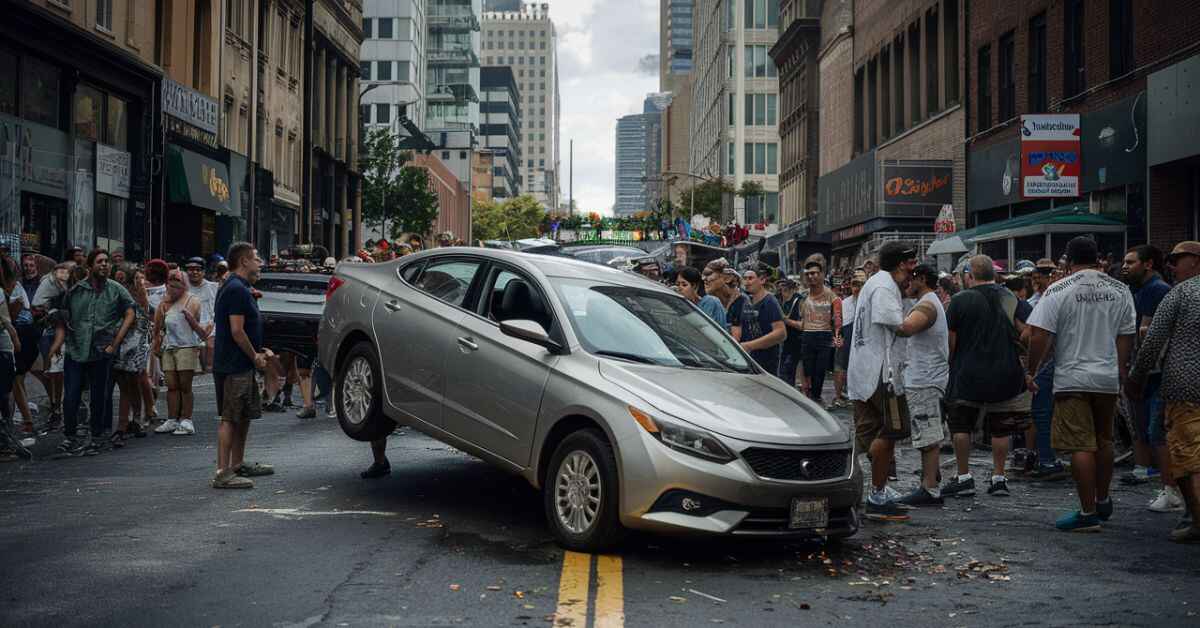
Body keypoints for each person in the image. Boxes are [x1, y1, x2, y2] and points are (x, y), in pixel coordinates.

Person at [1027, 236, 1136, 532]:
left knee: (1080, 444)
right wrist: (1120, 369)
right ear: (1097, 257)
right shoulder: (1121, 289)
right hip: (1106, 378)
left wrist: (1031, 371)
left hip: (1072, 377)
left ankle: (1087, 513)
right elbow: (1126, 334)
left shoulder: (1058, 290)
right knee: (1104, 440)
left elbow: (1039, 336)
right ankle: (1102, 499)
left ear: (1069, 260)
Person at [941, 255, 1031, 499]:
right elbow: (1028, 331)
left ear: (969, 275)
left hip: (967, 372)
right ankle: (999, 478)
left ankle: (964, 478)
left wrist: (951, 363)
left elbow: (951, 341)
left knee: (961, 425)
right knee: (1001, 429)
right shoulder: (1010, 297)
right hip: (1005, 373)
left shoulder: (959, 300)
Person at [1128, 241, 1200, 542]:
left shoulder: (1180, 294)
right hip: (1186, 387)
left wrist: (1135, 379)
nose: (1171, 265)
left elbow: (1152, 342)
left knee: (1187, 456)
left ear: (1195, 262)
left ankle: (1197, 521)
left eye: (1176, 260)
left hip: (1186, 388)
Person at [847, 241, 917, 521]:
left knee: (865, 435)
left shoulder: (875, 283)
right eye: (911, 263)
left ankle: (848, 488)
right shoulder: (885, 286)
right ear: (901, 263)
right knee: (892, 430)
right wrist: (925, 316)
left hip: (864, 371)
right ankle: (876, 494)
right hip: (882, 373)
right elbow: (899, 326)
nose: (914, 269)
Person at [48, 249, 135, 457]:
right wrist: (56, 346)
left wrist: (115, 343)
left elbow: (130, 313)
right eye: (99, 262)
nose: (104, 265)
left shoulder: (116, 289)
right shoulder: (75, 291)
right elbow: (62, 319)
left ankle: (97, 437)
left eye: (106, 261)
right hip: (76, 350)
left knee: (99, 396)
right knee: (70, 397)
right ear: (90, 266)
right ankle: (70, 437)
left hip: (101, 351)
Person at [212, 242, 274, 488]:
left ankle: (237, 464)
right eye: (257, 259)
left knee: (244, 415)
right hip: (233, 365)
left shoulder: (241, 287)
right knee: (230, 418)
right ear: (244, 261)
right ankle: (222, 472)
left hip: (242, 364)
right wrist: (254, 357)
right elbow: (237, 331)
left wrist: (260, 350)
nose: (260, 263)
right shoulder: (236, 289)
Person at [1119, 246, 1175, 504]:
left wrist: (1137, 367)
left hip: (1154, 371)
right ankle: (1143, 469)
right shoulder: (1137, 289)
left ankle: (1171, 488)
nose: (1125, 266)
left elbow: (1149, 334)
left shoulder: (1158, 290)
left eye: (1131, 262)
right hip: (1140, 368)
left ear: (1148, 264)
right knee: (1139, 422)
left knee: (1157, 430)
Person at [894, 264, 951, 506]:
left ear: (923, 279)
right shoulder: (928, 301)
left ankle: (930, 488)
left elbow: (906, 328)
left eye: (912, 277)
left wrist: (884, 316)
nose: (908, 281)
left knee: (927, 434)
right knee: (926, 432)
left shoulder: (928, 304)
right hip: (925, 377)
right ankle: (931, 478)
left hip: (926, 380)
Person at [152, 270, 206, 436]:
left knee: (185, 386)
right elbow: (158, 327)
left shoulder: (193, 301)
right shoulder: (163, 303)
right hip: (169, 348)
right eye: (170, 285)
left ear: (183, 286)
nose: (172, 289)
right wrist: (157, 344)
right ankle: (172, 419)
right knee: (171, 385)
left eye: (177, 285)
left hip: (186, 347)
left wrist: (191, 321)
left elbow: (203, 331)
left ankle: (186, 419)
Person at [111, 269, 153, 444]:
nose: (138, 281)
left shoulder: (139, 295)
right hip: (119, 341)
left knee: (132, 380)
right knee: (123, 383)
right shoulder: (114, 294)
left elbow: (143, 320)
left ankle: (135, 419)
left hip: (135, 344)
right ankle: (128, 422)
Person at [798, 259, 842, 407]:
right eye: (809, 274)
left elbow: (838, 319)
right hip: (807, 335)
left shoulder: (832, 297)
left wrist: (837, 338)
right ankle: (808, 396)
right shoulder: (802, 297)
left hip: (824, 335)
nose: (812, 277)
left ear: (822, 275)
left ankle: (816, 397)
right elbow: (799, 318)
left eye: (815, 273)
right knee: (807, 368)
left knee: (820, 370)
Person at [730, 264, 786, 374]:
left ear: (762, 280)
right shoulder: (744, 301)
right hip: (748, 361)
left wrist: (749, 345)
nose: (746, 282)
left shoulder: (769, 301)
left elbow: (781, 333)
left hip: (766, 363)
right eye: (744, 279)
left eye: (750, 278)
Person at [832, 270, 865, 407]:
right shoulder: (844, 303)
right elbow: (838, 322)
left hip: (862, 339)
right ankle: (839, 396)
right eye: (854, 284)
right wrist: (837, 337)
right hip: (846, 336)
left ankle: (858, 395)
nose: (857, 288)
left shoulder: (868, 302)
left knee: (859, 367)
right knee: (840, 366)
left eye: (861, 284)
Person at [185, 257, 218, 373]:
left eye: (198, 269)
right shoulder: (182, 287)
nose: (194, 272)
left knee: (209, 363)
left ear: (203, 272)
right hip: (188, 328)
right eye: (191, 269)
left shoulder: (214, 287)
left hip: (210, 327)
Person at [700, 258, 740, 331]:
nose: (703, 279)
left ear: (727, 278)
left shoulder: (742, 302)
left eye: (708, 274)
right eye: (703, 274)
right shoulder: (709, 302)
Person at [778, 278, 803, 389]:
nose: (783, 293)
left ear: (793, 289)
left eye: (786, 290)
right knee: (781, 372)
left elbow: (802, 325)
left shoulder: (799, 301)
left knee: (787, 371)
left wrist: (785, 320)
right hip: (780, 342)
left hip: (795, 342)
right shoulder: (778, 299)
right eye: (781, 290)